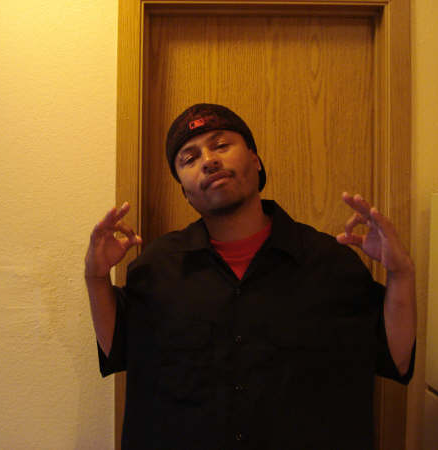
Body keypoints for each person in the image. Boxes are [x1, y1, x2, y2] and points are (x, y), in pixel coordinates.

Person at [85, 104, 416, 449]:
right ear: (185, 191)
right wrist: (96, 277)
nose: (208, 161)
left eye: (221, 145)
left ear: (255, 160)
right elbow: (119, 346)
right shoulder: (157, 267)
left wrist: (401, 271)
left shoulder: (330, 262)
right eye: (189, 158)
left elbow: (395, 356)